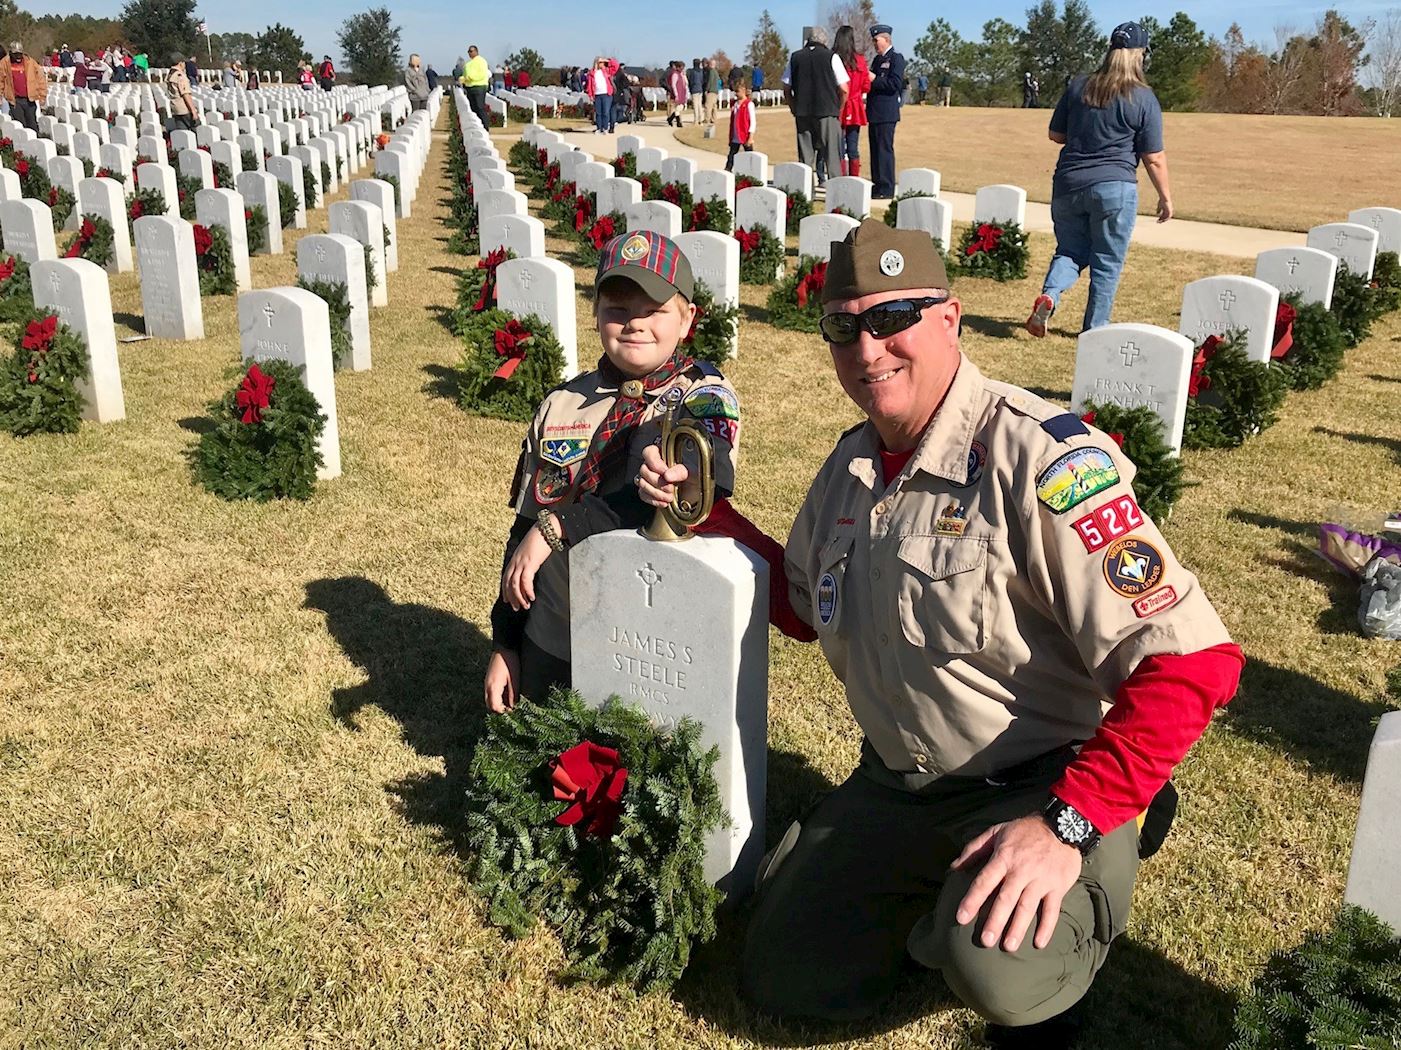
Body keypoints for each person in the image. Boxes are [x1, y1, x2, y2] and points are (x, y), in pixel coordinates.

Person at [638, 219, 1243, 1049]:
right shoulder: (852, 464)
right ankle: (948, 904)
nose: (868, 347)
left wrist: (1068, 821)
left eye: (894, 318)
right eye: (842, 326)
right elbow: (801, 605)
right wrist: (711, 514)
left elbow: (1193, 664)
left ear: (950, 320)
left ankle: (1112, 837)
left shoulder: (1040, 459)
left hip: (1039, 782)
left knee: (998, 972)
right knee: (783, 978)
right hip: (901, 786)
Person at [483, 230, 742, 711]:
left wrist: (563, 524)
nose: (634, 323)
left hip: (649, 647)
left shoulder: (703, 396)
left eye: (654, 309)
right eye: (617, 309)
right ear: (597, 313)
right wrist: (506, 643)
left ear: (687, 318)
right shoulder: (563, 402)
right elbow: (524, 530)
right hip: (554, 630)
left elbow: (702, 475)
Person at [1025, 21, 1171, 339]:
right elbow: (1153, 157)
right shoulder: (1143, 98)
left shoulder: (1079, 86)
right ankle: (1094, 331)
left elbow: (1055, 133)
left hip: (1068, 183)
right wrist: (1165, 197)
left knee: (1069, 251)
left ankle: (1050, 295)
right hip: (1114, 187)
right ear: (1139, 55)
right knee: (1106, 261)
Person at [783, 26, 848, 188]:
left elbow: (786, 87)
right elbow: (844, 89)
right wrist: (838, 109)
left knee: (805, 158)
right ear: (824, 41)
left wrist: (793, 107)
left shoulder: (795, 57)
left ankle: (804, 193)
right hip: (827, 112)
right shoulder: (831, 57)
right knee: (832, 156)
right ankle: (836, 192)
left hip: (803, 112)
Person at [866, 23, 905, 199]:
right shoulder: (877, 60)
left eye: (876, 40)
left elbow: (895, 85)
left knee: (884, 150)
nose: (874, 44)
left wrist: (874, 79)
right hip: (874, 111)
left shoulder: (896, 59)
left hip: (887, 112)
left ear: (886, 39)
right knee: (874, 150)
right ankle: (877, 184)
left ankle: (887, 186)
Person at [834, 25, 869, 179]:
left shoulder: (834, 59)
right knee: (853, 146)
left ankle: (841, 177)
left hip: (838, 105)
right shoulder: (860, 60)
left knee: (838, 147)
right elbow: (866, 86)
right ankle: (854, 178)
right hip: (855, 106)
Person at [0, 42, 46, 132]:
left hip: (29, 99)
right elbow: (0, 80)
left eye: (19, 54)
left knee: (32, 123)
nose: (18, 57)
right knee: (20, 125)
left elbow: (40, 79)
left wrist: (42, 95)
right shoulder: (4, 63)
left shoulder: (30, 62)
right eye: (15, 54)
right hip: (15, 100)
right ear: (11, 53)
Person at [726, 79, 755, 171]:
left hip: (745, 135)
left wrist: (750, 137)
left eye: (737, 91)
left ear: (743, 90)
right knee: (731, 156)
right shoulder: (735, 104)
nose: (736, 94)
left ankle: (752, 171)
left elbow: (752, 122)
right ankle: (728, 170)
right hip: (735, 135)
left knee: (749, 156)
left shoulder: (749, 104)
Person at [164, 55, 199, 132]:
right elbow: (185, 94)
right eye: (184, 63)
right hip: (184, 108)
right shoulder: (180, 76)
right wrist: (193, 111)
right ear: (180, 63)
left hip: (175, 109)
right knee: (196, 131)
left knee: (182, 132)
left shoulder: (170, 74)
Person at [584, 55, 618, 134]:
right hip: (597, 94)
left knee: (605, 112)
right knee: (598, 113)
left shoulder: (607, 71)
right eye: (600, 62)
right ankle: (599, 128)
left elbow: (616, 66)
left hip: (606, 94)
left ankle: (605, 128)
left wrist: (607, 60)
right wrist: (590, 95)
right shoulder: (592, 73)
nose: (602, 64)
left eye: (602, 62)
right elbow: (589, 85)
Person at [461, 45, 491, 127]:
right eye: (468, 51)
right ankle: (477, 125)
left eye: (471, 51)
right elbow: (465, 74)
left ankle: (485, 126)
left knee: (480, 107)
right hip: (470, 88)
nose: (469, 53)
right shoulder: (468, 64)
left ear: (476, 51)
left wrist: (470, 78)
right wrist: (462, 79)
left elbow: (481, 74)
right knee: (473, 108)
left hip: (479, 87)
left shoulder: (482, 61)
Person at [665, 60, 688, 127]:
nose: (682, 69)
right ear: (678, 67)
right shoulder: (675, 74)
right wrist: (676, 94)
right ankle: (678, 122)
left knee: (680, 107)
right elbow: (673, 85)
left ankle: (670, 119)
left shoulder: (681, 74)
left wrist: (684, 75)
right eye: (681, 67)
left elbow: (686, 83)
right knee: (678, 107)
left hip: (682, 92)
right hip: (677, 93)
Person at [703, 57, 721, 126]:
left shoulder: (711, 71)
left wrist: (707, 89)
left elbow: (710, 81)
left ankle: (707, 119)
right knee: (714, 106)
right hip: (715, 90)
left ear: (710, 64)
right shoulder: (716, 72)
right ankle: (714, 119)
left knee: (708, 106)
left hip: (711, 90)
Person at [687, 58, 704, 125]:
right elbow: (702, 80)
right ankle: (701, 119)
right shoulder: (701, 71)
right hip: (700, 89)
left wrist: (690, 89)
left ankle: (696, 120)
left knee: (695, 106)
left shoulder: (692, 72)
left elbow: (690, 81)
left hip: (694, 89)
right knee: (700, 105)